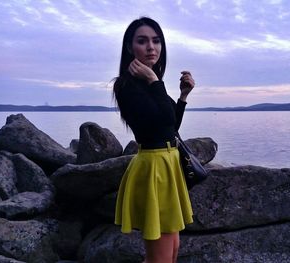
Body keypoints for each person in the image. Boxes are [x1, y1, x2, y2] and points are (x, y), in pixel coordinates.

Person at [113, 17, 195, 263]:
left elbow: (170, 126)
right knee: (161, 257)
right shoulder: (127, 86)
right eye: (143, 41)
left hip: (168, 165)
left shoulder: (150, 83)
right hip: (154, 168)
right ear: (130, 47)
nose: (151, 47)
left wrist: (182, 97)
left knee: (172, 250)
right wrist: (155, 82)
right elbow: (160, 122)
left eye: (156, 41)